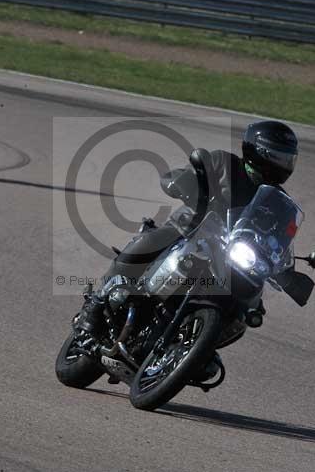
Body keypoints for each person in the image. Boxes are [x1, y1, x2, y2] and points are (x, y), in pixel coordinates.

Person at [76, 120, 302, 341]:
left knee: (250, 307)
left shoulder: (279, 202)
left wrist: (287, 270)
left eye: (288, 158)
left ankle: (198, 349)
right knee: (147, 244)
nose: (284, 164)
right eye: (279, 157)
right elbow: (185, 175)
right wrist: (182, 183)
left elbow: (281, 241)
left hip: (232, 257)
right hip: (189, 230)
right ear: (259, 151)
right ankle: (96, 305)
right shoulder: (224, 163)